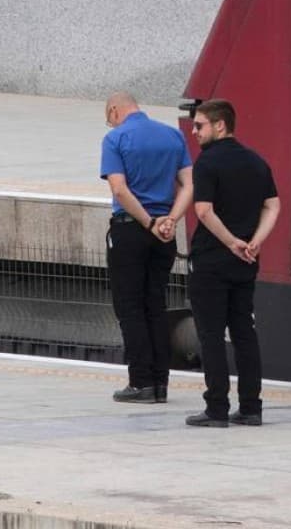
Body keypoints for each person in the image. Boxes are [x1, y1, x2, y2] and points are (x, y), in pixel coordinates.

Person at [185, 99, 279, 428]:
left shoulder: (207, 163)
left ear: (219, 125)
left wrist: (230, 242)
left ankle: (217, 408)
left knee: (210, 335)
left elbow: (203, 211)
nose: (195, 132)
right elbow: (273, 205)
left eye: (200, 125)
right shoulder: (256, 161)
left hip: (212, 260)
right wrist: (254, 241)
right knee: (244, 333)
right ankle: (252, 407)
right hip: (246, 263)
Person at [100, 91, 193, 404]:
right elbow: (190, 185)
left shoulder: (115, 139)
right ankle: (161, 383)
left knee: (130, 307)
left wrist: (148, 222)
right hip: (164, 234)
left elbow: (119, 189)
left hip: (130, 230)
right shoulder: (172, 136)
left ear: (115, 111)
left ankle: (141, 382)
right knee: (155, 304)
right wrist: (170, 220)